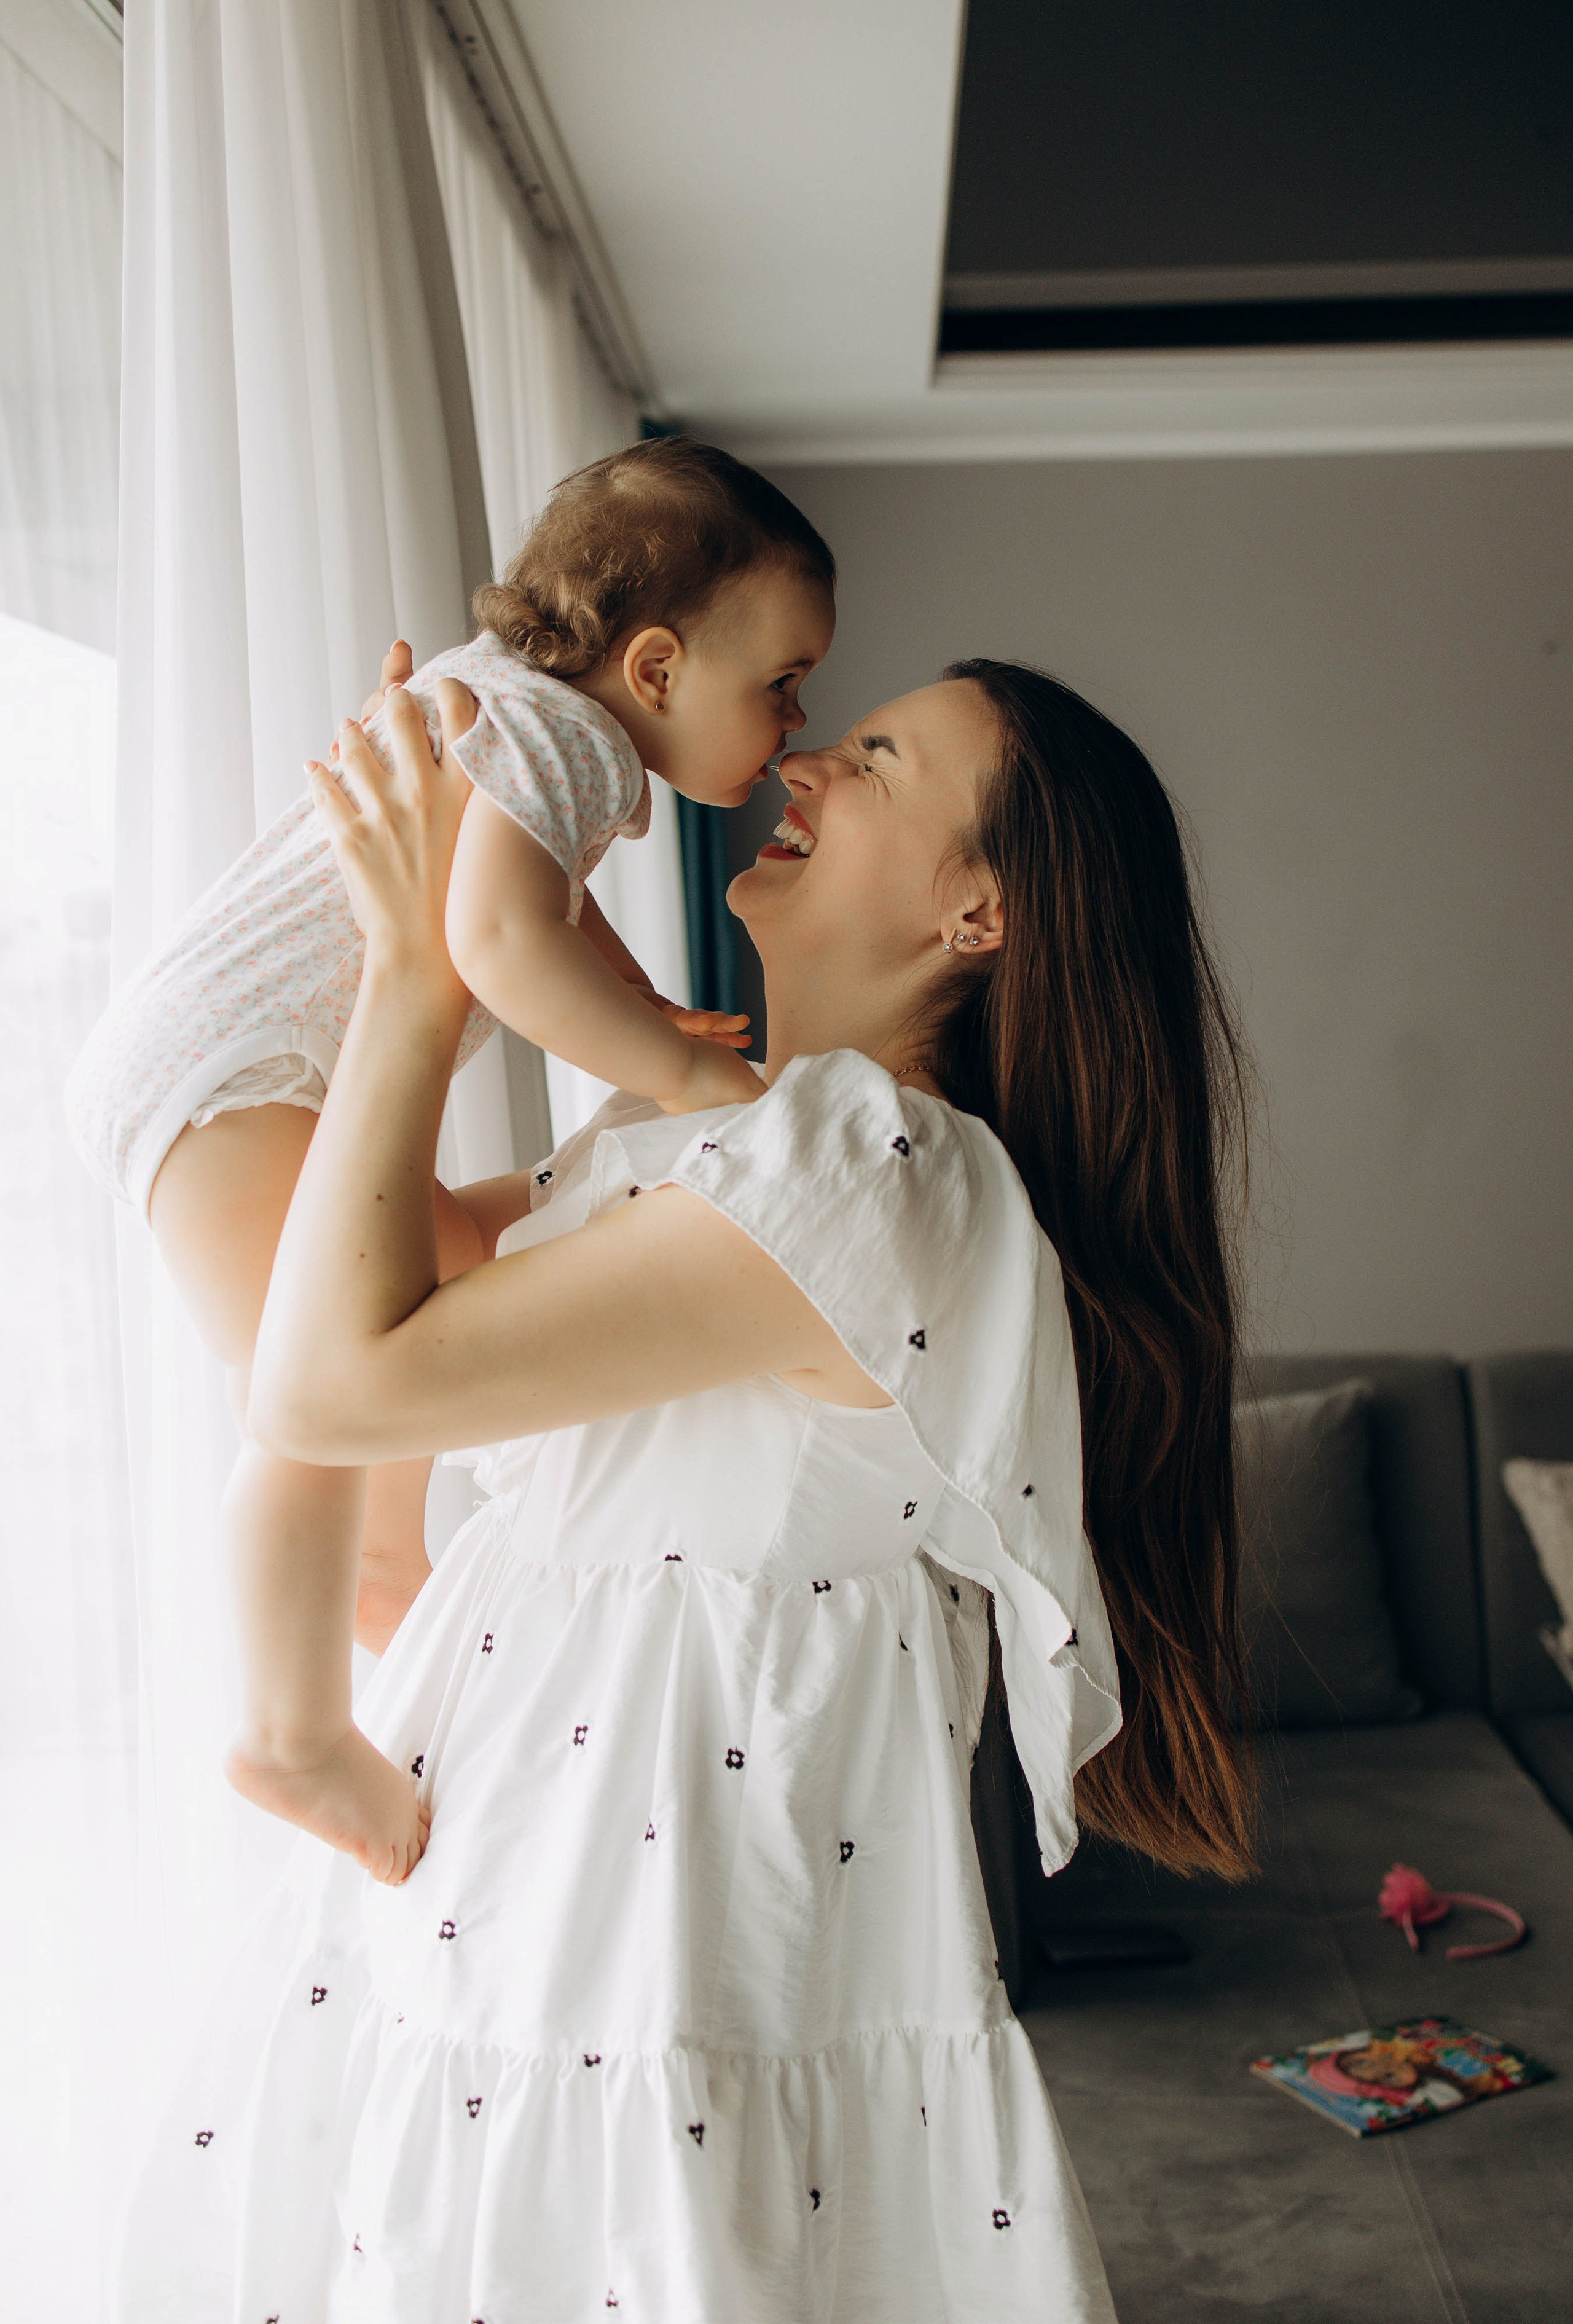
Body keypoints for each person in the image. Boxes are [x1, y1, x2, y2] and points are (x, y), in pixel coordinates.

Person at [114, 650, 1255, 2322]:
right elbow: (306, 1285)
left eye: (871, 759)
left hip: (633, 1974)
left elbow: (330, 1382)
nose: (803, 768)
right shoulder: (677, 1147)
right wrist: (325, 917)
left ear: (979, 914)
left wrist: (414, 983)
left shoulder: (879, 1167)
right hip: (505, 1918)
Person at [65, 438, 834, 1887]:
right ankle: (289, 1725)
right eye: (780, 682)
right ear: (658, 666)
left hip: (205, 1068)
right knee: (313, 1393)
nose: (797, 720)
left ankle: (385, 1572)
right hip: (230, 1085)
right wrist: (680, 1071)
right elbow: (493, 941)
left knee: (446, 1293)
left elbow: (521, 899)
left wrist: (641, 1001)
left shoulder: (533, 714)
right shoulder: (569, 741)